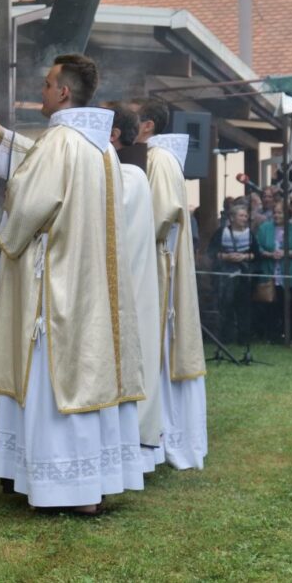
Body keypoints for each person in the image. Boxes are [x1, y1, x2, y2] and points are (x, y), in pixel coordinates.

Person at [0, 55, 144, 514]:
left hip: (57, 287)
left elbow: (28, 203)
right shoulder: (103, 148)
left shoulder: (60, 142)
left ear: (64, 93)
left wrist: (8, 240)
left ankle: (64, 488)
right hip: (94, 286)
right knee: (90, 376)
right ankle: (94, 481)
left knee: (54, 382)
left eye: (48, 83)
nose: (42, 90)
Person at [140, 98, 208, 471]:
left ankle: (169, 434)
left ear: (147, 125)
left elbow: (163, 212)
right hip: (157, 262)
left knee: (163, 349)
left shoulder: (159, 160)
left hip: (158, 266)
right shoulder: (154, 158)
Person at [109, 103, 163, 472]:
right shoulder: (132, 175)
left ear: (114, 135)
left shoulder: (125, 177)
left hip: (125, 288)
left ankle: (127, 450)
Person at [208, 205, 258, 346]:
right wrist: (225, 256)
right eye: (241, 216)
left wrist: (244, 257)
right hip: (224, 275)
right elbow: (211, 252)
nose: (244, 218)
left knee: (243, 308)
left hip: (244, 275)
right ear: (232, 218)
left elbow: (256, 254)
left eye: (245, 216)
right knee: (226, 306)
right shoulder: (221, 233)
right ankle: (225, 337)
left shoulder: (250, 234)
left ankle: (243, 338)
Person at [256, 202, 292, 342]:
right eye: (275, 213)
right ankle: (272, 336)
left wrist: (287, 253)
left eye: (280, 213)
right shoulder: (264, 228)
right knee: (272, 306)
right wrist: (269, 254)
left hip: (291, 274)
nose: (277, 215)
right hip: (270, 272)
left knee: (289, 305)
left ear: (287, 215)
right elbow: (257, 247)